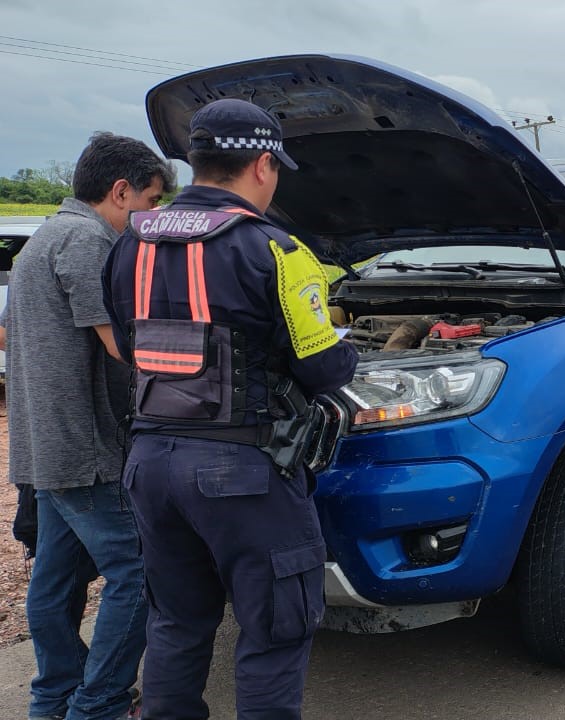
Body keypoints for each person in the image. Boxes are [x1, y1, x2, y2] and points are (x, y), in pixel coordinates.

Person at [102, 98, 358, 719]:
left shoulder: (127, 245)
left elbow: (131, 347)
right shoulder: (279, 251)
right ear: (264, 165)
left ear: (194, 160)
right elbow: (324, 370)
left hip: (150, 466)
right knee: (275, 631)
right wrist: (345, 339)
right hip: (242, 473)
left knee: (177, 625)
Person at [4, 132, 174, 720]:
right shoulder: (88, 239)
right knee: (142, 574)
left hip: (42, 444)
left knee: (56, 578)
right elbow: (125, 347)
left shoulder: (42, 239)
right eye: (151, 202)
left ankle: (52, 699)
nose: (151, 217)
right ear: (120, 191)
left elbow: (11, 333)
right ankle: (99, 704)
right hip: (86, 447)